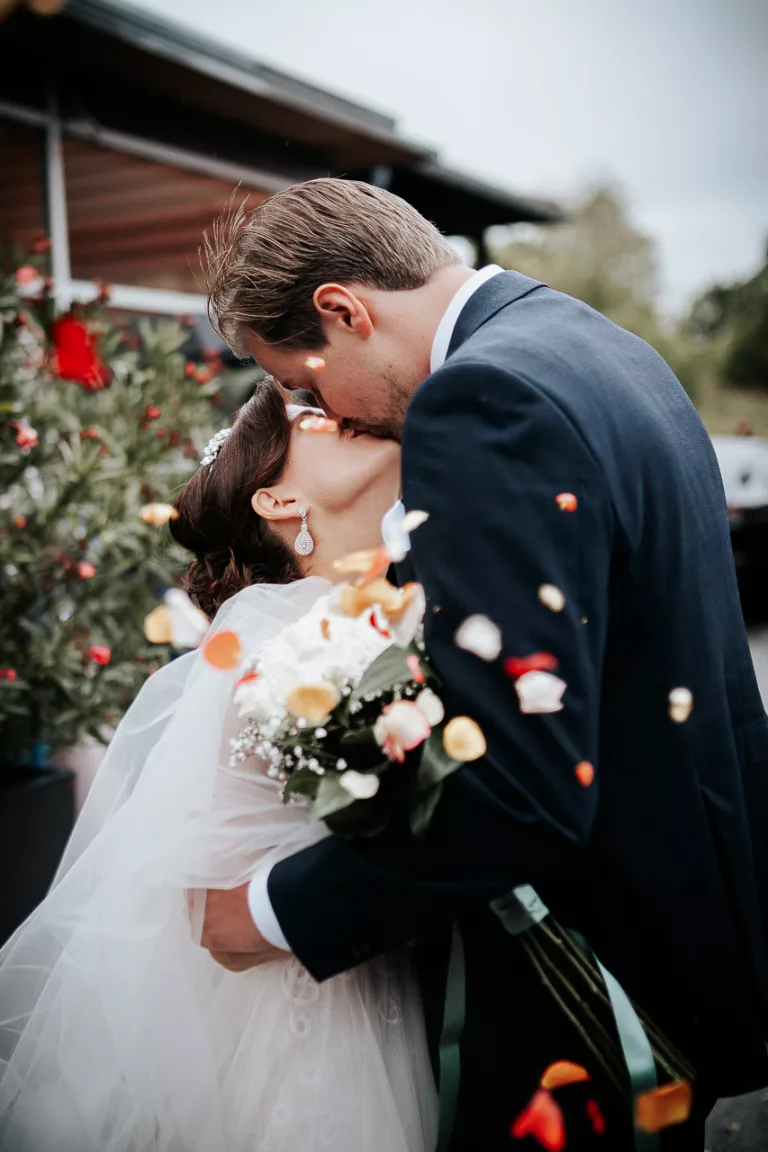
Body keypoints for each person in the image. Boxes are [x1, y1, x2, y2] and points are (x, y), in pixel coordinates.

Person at [199, 178, 768, 1151]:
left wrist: (268, 913)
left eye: (303, 382)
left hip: (598, 989)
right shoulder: (601, 346)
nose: (326, 410)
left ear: (343, 310)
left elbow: (521, 791)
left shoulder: (482, 397)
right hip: (705, 925)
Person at [0, 381, 437, 1152]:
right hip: (310, 1035)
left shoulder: (405, 610)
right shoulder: (276, 649)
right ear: (277, 502)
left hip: (396, 993)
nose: (346, 417)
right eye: (317, 418)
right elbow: (217, 916)